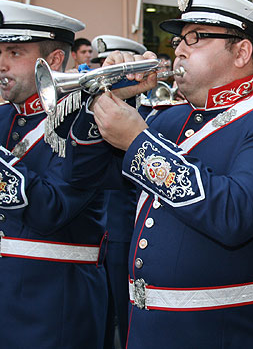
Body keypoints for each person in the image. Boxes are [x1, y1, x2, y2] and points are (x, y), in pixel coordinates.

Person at [63, 0, 253, 348]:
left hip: (227, 332)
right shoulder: (167, 118)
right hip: (148, 328)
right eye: (179, 39)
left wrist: (138, 141)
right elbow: (83, 175)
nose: (178, 49)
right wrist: (106, 97)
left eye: (195, 38)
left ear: (241, 51)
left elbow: (235, 214)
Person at [0, 0, 107, 348]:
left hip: (52, 306)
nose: (1, 63)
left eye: (14, 52)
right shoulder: (3, 118)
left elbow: (53, 209)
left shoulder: (84, 122)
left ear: (55, 61)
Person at [89, 34, 147, 349]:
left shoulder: (142, 112)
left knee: (125, 320)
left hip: (123, 229)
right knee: (100, 314)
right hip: (98, 229)